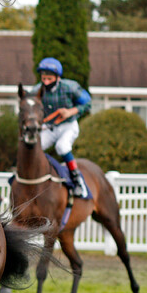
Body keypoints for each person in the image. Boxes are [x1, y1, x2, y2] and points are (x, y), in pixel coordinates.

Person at [32, 57, 91, 197]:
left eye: (49, 79)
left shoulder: (70, 87)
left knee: (62, 146)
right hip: (48, 127)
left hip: (68, 125)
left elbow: (87, 103)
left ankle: (77, 181)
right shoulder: (36, 90)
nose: (46, 82)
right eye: (43, 78)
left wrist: (70, 111)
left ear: (57, 78)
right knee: (35, 147)